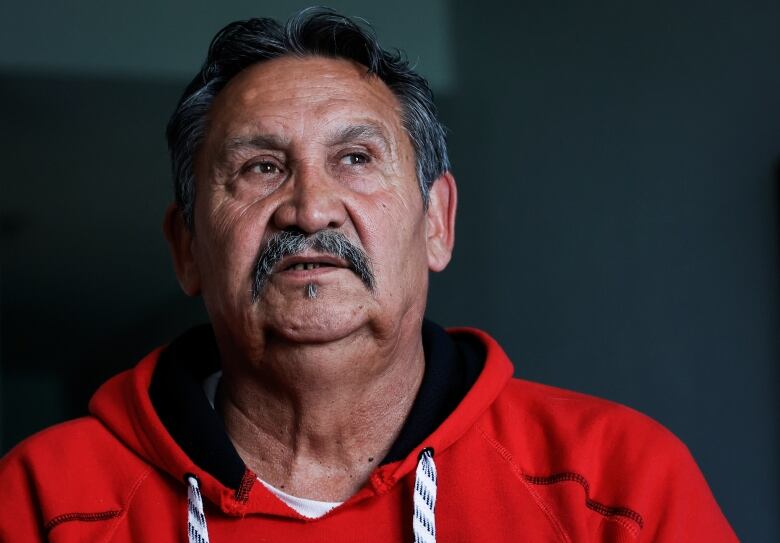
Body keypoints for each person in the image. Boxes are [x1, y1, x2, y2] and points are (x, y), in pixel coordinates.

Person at [0, 8, 738, 542]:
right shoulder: (43, 501)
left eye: (355, 158)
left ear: (437, 222)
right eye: (261, 167)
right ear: (187, 247)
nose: (310, 206)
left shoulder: (616, 484)